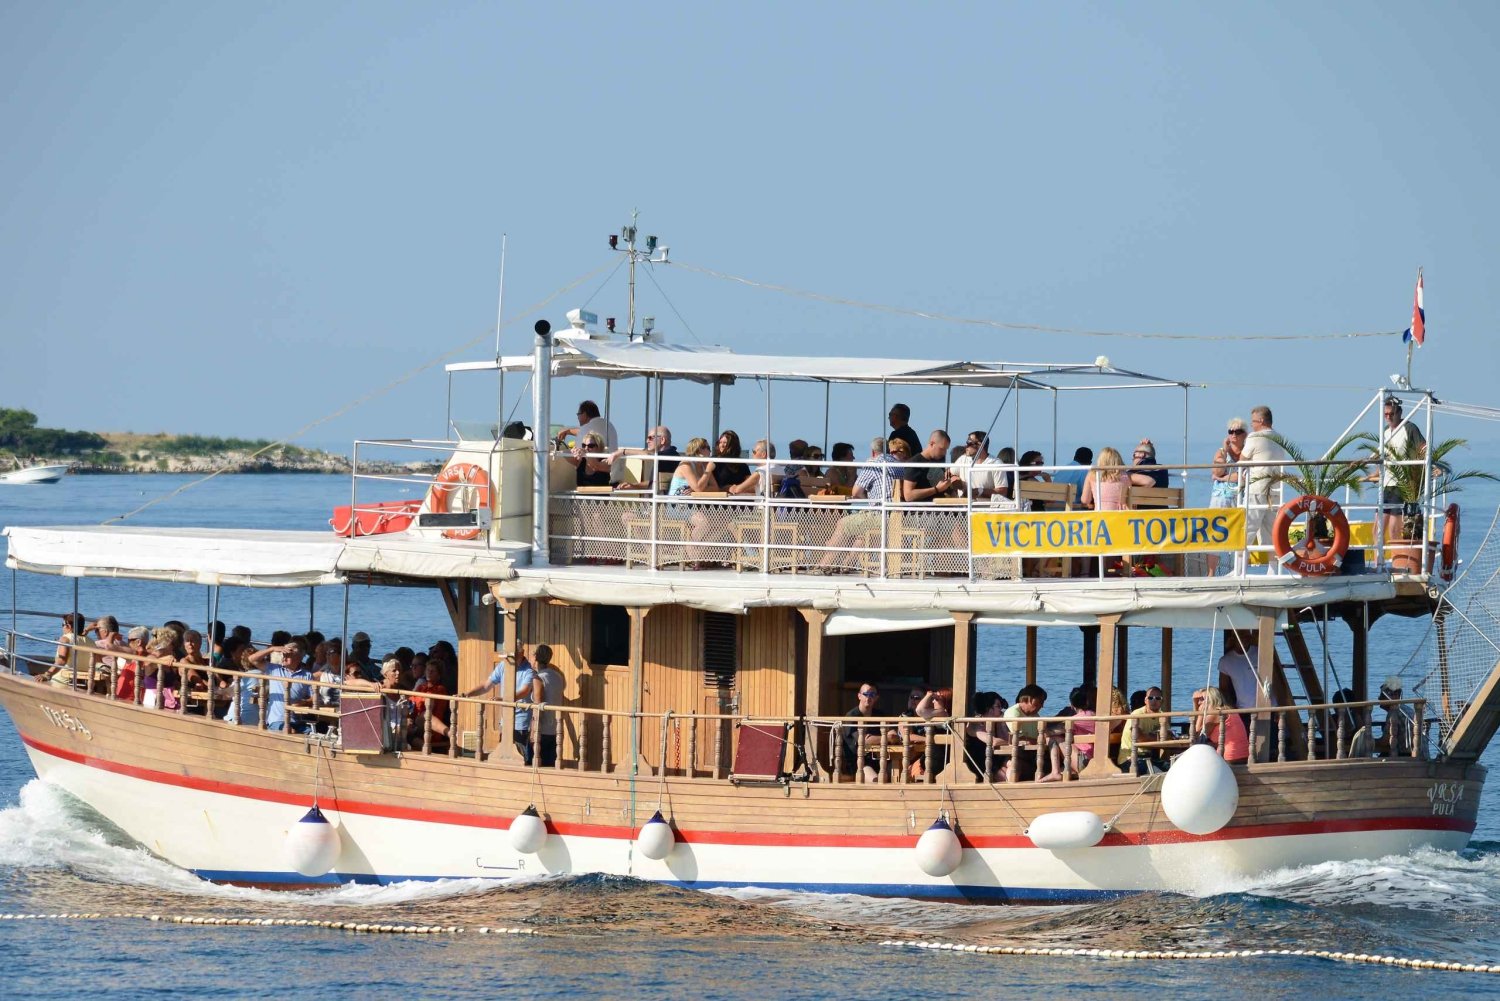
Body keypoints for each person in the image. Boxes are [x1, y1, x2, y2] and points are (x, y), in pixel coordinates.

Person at [1366, 396, 1426, 548]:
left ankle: (1397, 564)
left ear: (1399, 412)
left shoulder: (1409, 428)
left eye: (1391, 414)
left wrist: (1431, 467)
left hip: (1402, 485)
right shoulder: (1386, 431)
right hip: (1386, 485)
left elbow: (1423, 448)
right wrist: (1376, 472)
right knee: (1377, 530)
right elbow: (1382, 454)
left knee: (1394, 530)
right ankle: (1376, 564)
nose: (1388, 417)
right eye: (1386, 414)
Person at [1238, 405, 1288, 550]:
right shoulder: (1279, 437)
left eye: (1253, 422)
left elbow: (1243, 459)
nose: (1252, 425)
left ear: (1261, 421)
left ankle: (1240, 569)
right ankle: (1272, 570)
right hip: (1276, 489)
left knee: (1248, 529)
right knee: (1271, 531)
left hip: (1257, 489)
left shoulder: (1255, 437)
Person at [514, 644, 565, 766]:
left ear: (535, 657)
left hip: (541, 732)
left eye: (531, 655)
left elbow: (538, 703)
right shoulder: (558, 677)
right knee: (550, 767)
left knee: (534, 766)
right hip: (555, 730)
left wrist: (533, 731)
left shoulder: (538, 678)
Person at [840, 682, 891, 782]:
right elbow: (864, 740)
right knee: (876, 780)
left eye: (872, 695)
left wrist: (886, 737)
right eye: (866, 694)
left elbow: (893, 734)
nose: (869, 697)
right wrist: (887, 738)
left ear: (876, 698)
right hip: (859, 763)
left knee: (897, 774)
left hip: (879, 760)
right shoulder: (851, 716)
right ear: (859, 696)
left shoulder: (880, 715)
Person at [1118, 686, 1170, 773]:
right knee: (1156, 771)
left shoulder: (1162, 715)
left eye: (1157, 698)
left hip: (1149, 758)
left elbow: (1167, 735)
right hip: (1130, 759)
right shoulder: (1137, 714)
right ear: (1145, 700)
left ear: (1162, 701)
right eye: (1150, 698)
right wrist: (1158, 737)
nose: (1154, 701)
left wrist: (1155, 736)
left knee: (1172, 768)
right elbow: (1140, 738)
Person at [608, 425, 681, 484]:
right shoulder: (662, 457)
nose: (647, 441)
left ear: (662, 440)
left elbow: (648, 455)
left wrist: (622, 452)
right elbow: (654, 483)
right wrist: (633, 486)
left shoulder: (670, 455)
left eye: (650, 438)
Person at [1192, 687, 1248, 764]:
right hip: (1243, 755)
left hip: (1230, 758)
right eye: (1197, 700)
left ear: (1211, 700)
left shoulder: (1216, 714)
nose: (1199, 703)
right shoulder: (1228, 709)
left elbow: (1198, 736)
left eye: (1202, 699)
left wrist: (1201, 713)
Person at [964, 691, 1012, 780]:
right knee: (1003, 776)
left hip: (995, 758)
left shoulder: (996, 722)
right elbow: (993, 741)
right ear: (988, 708)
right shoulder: (975, 723)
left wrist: (1001, 723)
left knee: (1014, 766)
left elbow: (1006, 739)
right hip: (980, 762)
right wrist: (1009, 742)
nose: (1001, 710)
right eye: (998, 706)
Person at [902, 431, 960, 501]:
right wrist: (936, 489)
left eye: (946, 449)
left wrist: (951, 488)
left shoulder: (939, 460)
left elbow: (941, 484)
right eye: (941, 449)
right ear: (932, 444)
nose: (944, 453)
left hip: (942, 508)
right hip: (924, 510)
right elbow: (908, 496)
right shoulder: (914, 463)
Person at [1216, 631, 1262, 711]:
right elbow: (1223, 688)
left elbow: (1275, 680)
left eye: (1246, 636)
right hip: (1243, 709)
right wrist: (1231, 707)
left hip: (1267, 707)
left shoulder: (1260, 653)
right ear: (1233, 639)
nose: (1244, 639)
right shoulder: (1225, 661)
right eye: (1240, 636)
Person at [39, 613, 88, 689]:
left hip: (61, 682)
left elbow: (62, 660)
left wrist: (47, 675)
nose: (62, 627)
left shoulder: (65, 639)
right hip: (83, 684)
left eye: (63, 624)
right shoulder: (91, 642)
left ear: (68, 626)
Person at [554, 399, 619, 451]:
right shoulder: (607, 424)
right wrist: (568, 431)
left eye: (578, 414)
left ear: (584, 414)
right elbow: (590, 433)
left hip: (594, 466)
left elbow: (578, 455)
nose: (577, 417)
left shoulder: (586, 429)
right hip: (612, 464)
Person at [1375, 676, 1415, 757]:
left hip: (1405, 755)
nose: (1379, 698)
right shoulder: (1407, 709)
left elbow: (1385, 741)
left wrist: (1370, 741)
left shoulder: (1394, 712)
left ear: (1395, 695)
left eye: (1382, 695)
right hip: (1414, 752)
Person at [1080, 446, 1129, 511]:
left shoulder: (1092, 475)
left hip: (1100, 515)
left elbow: (1085, 500)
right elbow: (1146, 481)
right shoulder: (1125, 476)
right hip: (1119, 516)